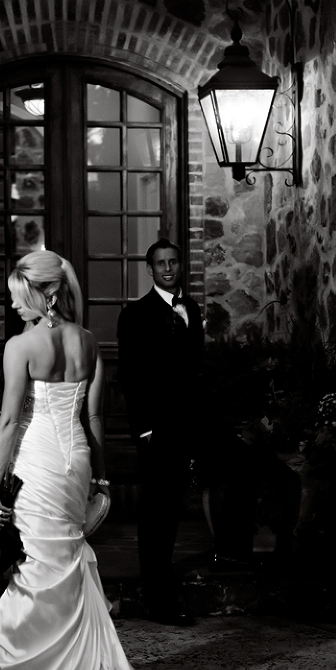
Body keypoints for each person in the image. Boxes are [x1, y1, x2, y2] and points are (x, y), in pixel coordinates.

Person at [0, 250, 159, 670]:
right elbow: (93, 421)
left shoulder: (21, 347)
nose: (13, 307)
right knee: (64, 565)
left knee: (38, 571)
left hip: (39, 459)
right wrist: (102, 479)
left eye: (19, 297)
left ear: (46, 294)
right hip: (75, 466)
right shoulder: (88, 342)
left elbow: (8, 422)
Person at [116, 239, 205, 627]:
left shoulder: (193, 309)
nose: (167, 269)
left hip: (187, 426)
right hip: (155, 430)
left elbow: (195, 371)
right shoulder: (135, 315)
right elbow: (130, 377)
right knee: (155, 517)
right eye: (160, 264)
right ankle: (161, 602)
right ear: (149, 270)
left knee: (173, 512)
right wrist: (144, 429)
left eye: (173, 262)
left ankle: (168, 592)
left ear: (180, 265)